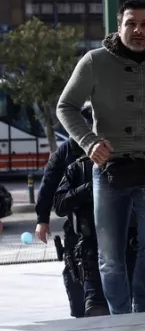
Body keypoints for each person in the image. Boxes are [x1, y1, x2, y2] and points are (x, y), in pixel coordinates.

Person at [56, 0, 145, 315]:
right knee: (109, 256)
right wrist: (89, 142)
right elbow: (66, 106)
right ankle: (120, 315)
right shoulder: (94, 61)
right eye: (130, 24)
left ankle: (143, 310)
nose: (138, 30)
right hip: (109, 166)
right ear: (118, 27)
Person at [53, 155, 138, 317]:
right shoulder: (79, 168)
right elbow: (59, 204)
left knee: (123, 309)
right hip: (88, 252)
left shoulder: (131, 163)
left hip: (124, 247)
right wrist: (88, 189)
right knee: (89, 310)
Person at [35, 105, 93, 316]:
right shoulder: (66, 152)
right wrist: (42, 219)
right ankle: (80, 313)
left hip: (112, 219)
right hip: (78, 221)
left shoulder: (112, 144)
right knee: (75, 269)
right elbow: (48, 186)